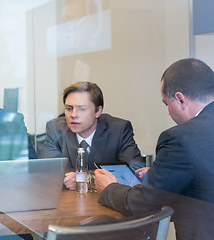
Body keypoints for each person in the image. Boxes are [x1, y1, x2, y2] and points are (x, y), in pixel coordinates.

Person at [94, 58, 214, 239]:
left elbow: (143, 204)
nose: (168, 112)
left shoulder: (180, 138)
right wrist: (165, 173)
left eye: (167, 104)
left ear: (180, 99)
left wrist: (110, 187)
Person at [42, 81, 143, 190]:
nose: (73, 115)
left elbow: (136, 172)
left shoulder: (118, 129)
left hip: (107, 201)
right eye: (69, 108)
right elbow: (48, 171)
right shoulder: (55, 129)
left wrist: (89, 179)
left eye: (82, 109)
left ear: (98, 111)